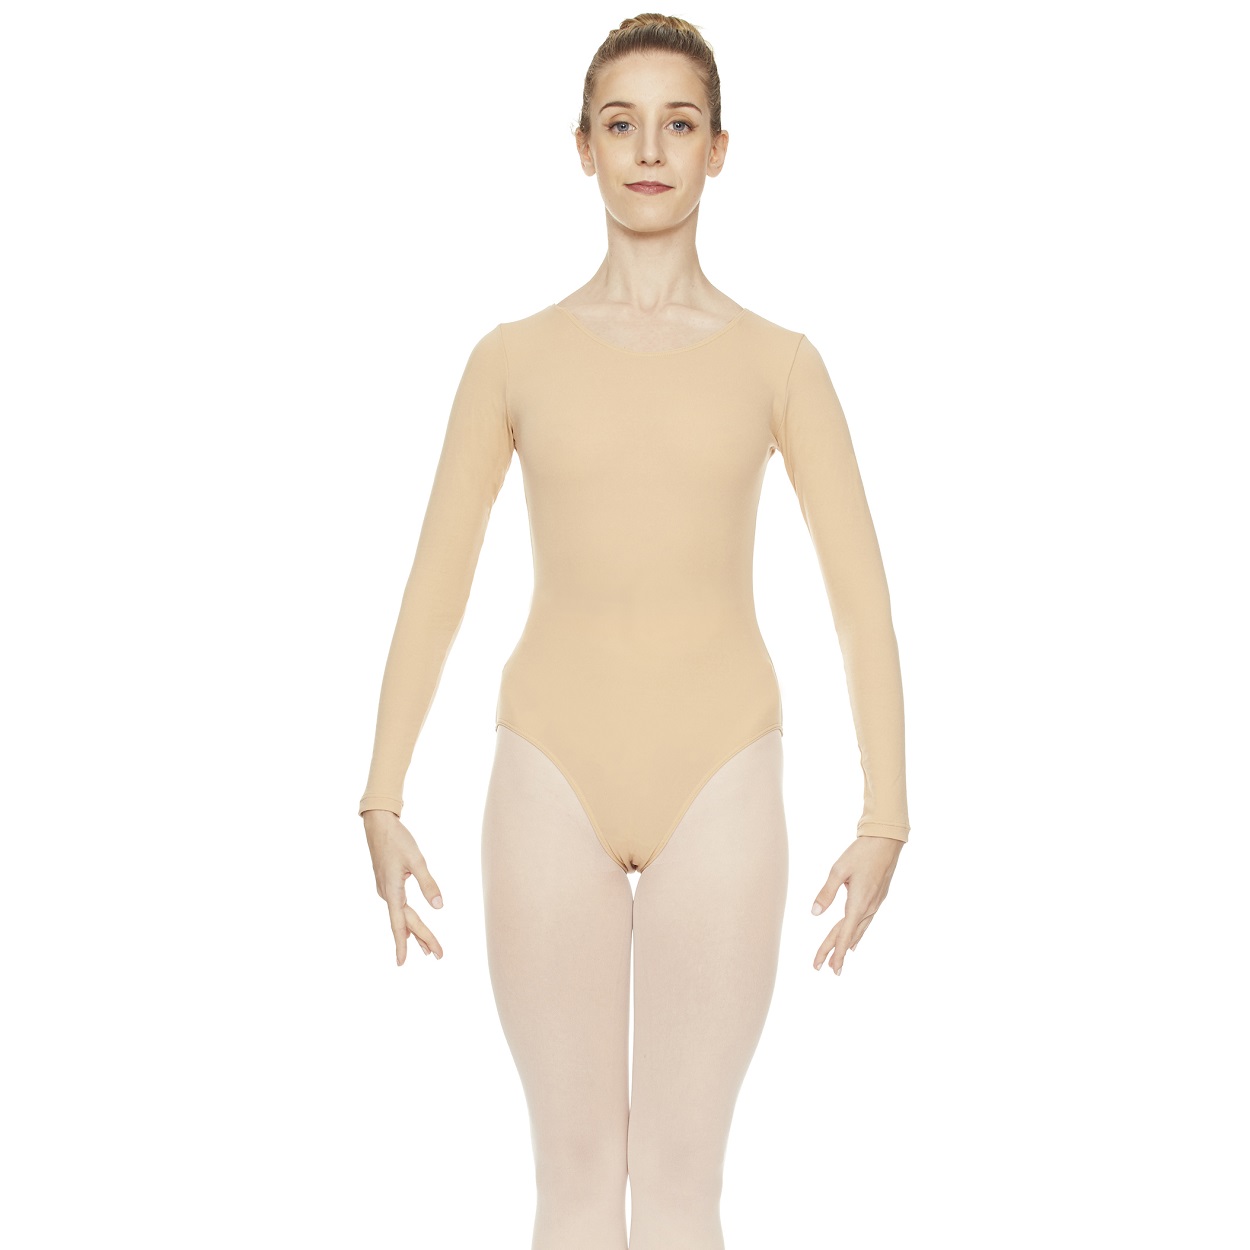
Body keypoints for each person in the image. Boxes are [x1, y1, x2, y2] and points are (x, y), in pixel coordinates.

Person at [357, 13, 910, 1248]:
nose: (648, 149)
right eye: (621, 123)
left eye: (677, 123)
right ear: (582, 147)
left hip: (722, 772)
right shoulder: (509, 359)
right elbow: (437, 578)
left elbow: (858, 592)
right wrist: (380, 792)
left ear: (719, 149)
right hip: (547, 769)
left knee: (675, 1187)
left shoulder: (779, 362)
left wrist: (886, 811)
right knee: (568, 1182)